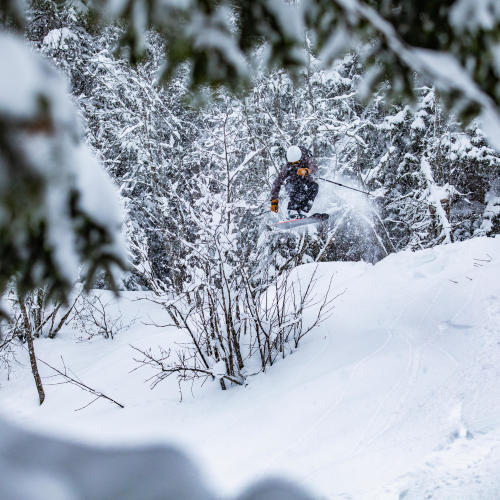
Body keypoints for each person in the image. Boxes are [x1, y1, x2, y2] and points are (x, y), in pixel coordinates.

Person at [270, 145, 319, 218]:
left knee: (314, 187)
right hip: (293, 185)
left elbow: (313, 167)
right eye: (293, 163)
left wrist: (306, 170)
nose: (295, 164)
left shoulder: (306, 159)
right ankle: (292, 209)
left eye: (297, 162)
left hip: (306, 182)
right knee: (296, 186)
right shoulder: (287, 167)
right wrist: (274, 200)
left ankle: (304, 209)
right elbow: (277, 182)